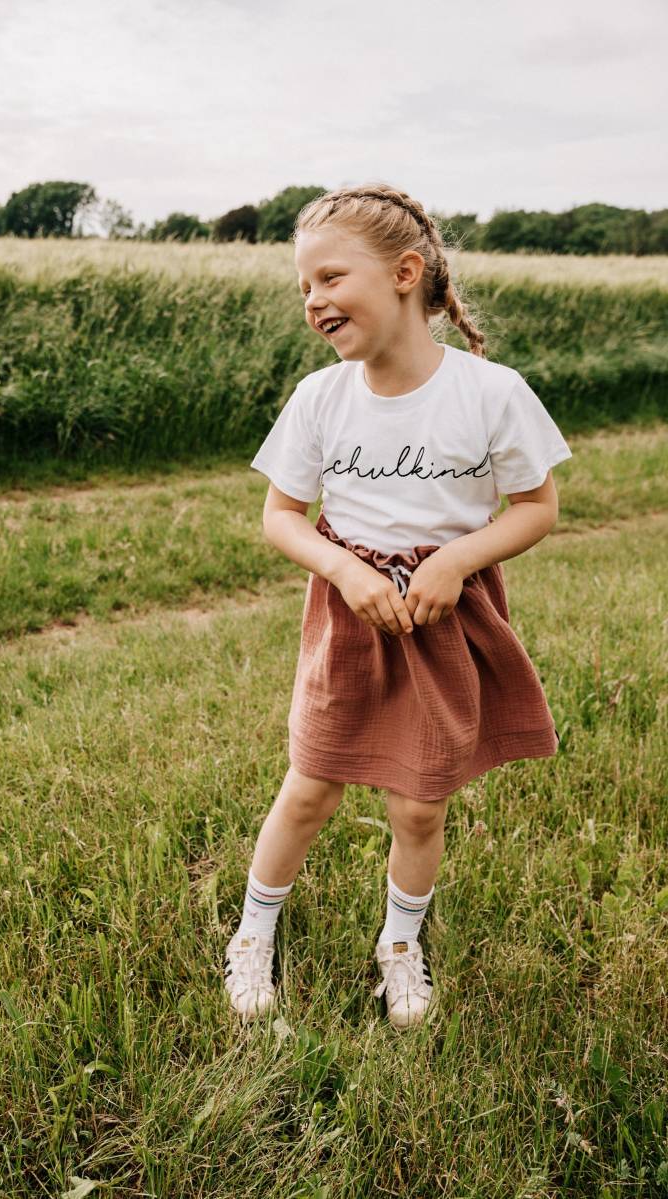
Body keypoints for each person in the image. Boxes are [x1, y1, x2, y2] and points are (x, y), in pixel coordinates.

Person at [224, 183, 572, 1031]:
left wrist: (457, 557)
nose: (314, 301)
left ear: (407, 273)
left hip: (445, 618)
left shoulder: (491, 392)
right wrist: (344, 572)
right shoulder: (321, 399)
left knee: (420, 802)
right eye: (303, 287)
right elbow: (280, 517)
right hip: (351, 615)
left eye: (331, 278)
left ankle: (402, 947)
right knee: (311, 787)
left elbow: (537, 504)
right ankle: (253, 932)